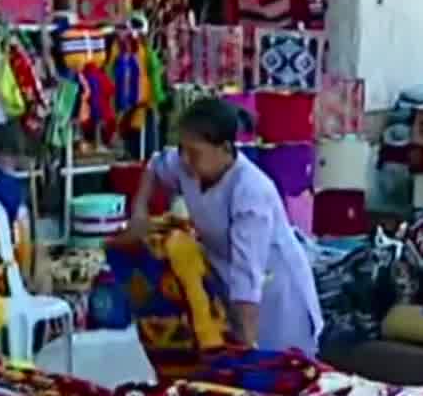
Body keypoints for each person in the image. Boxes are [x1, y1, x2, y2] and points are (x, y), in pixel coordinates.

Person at [116, 98, 323, 355]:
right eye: (183, 149)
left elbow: (247, 276)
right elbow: (155, 167)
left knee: (276, 373)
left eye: (194, 153)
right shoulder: (186, 163)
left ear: (225, 148)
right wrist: (139, 213)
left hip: (275, 295)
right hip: (228, 285)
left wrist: (246, 349)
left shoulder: (250, 191)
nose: (185, 160)